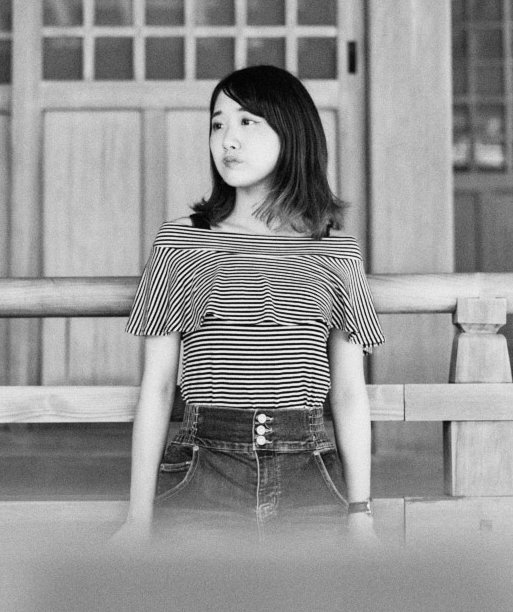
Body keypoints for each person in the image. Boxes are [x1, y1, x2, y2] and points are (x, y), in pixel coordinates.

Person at [113, 64, 385, 545]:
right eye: (217, 124)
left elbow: (348, 392)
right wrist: (138, 518)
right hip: (203, 466)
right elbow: (157, 386)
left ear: (291, 133)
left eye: (246, 122)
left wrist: (360, 512)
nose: (227, 140)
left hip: (308, 469)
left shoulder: (336, 250)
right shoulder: (180, 241)